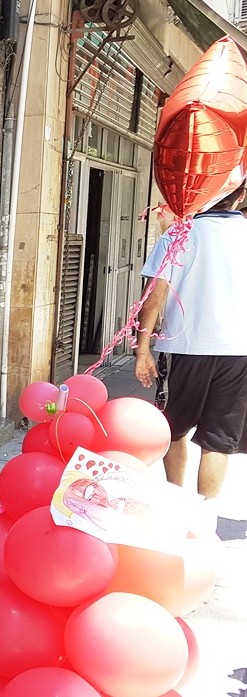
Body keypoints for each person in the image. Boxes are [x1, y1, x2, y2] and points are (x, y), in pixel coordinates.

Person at [135, 182, 247, 504]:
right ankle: (204, 516)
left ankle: (174, 502)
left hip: (183, 348)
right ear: (239, 196)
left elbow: (154, 299)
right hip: (238, 352)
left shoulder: (178, 235)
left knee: (172, 430)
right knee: (218, 441)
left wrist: (143, 351)